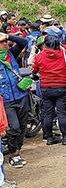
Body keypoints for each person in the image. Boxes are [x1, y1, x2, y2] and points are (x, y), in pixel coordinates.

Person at [31, 34, 66, 146]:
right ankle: (65, 137)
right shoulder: (63, 53)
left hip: (46, 87)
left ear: (45, 44)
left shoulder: (40, 56)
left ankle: (49, 138)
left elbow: (34, 69)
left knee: (47, 114)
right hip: (61, 86)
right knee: (61, 113)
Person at [0, 32, 30, 169]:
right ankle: (13, 153)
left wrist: (7, 35)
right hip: (6, 100)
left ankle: (18, 150)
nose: (5, 44)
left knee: (23, 125)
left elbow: (24, 42)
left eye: (6, 41)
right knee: (14, 127)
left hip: (21, 95)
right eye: (2, 42)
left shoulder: (11, 53)